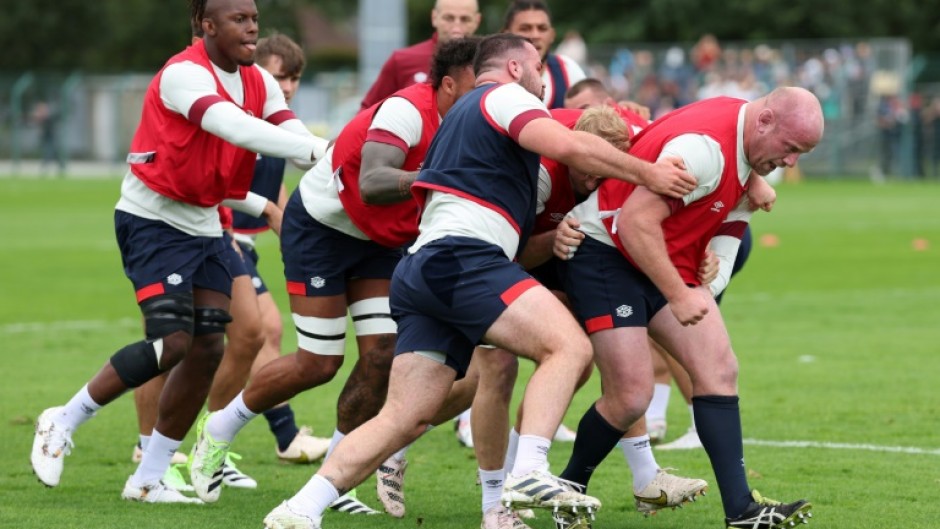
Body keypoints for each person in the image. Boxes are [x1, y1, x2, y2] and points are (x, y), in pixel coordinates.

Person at [259, 33, 696, 529]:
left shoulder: (463, 115)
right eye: (536, 66)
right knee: (570, 348)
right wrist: (650, 175)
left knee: (404, 417)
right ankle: (528, 470)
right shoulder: (503, 97)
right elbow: (569, 143)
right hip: (462, 257)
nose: (541, 76)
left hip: (423, 268)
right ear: (512, 67)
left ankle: (300, 509)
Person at [30, 0, 329, 504]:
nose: (251, 26)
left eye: (254, 17)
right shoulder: (182, 75)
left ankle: (149, 477)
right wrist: (324, 152)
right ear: (206, 25)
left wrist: (331, 153)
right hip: (153, 222)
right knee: (171, 343)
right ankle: (64, 418)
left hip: (206, 224)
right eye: (238, 18)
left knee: (211, 345)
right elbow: (237, 128)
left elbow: (288, 127)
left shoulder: (255, 79)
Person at [189, 37, 482, 515]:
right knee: (317, 363)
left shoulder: (472, 125)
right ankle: (219, 427)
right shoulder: (406, 110)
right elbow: (372, 182)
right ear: (449, 85)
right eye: (480, 83)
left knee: (383, 357)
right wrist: (434, 179)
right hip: (322, 231)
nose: (490, 95)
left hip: (380, 243)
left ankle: (335, 476)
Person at [554, 87, 822, 529]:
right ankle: (568, 490)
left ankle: (741, 510)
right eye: (791, 149)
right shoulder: (704, 150)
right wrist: (679, 296)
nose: (792, 163)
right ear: (765, 121)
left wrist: (704, 286)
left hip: (656, 256)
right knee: (631, 395)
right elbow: (635, 223)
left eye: (802, 153)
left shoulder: (748, 156)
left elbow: (729, 235)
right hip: (603, 251)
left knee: (719, 368)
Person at [359, 0, 480, 109]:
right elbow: (368, 110)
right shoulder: (402, 60)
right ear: (434, 17)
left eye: (465, 19)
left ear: (477, 20)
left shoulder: (487, 61)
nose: (456, 27)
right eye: (448, 18)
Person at [502, 0, 585, 109]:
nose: (535, 35)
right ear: (506, 35)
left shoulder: (567, 69)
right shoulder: (493, 76)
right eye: (525, 28)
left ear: (552, 35)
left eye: (542, 28)